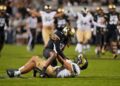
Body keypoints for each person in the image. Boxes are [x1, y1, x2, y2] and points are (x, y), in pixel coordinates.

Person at [6, 52, 88, 78]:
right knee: (34, 63)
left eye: (79, 59)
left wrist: (57, 53)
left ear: (80, 63)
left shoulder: (75, 67)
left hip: (53, 72)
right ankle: (17, 72)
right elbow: (65, 62)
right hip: (54, 71)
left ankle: (16, 72)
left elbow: (63, 62)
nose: (77, 59)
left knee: (35, 58)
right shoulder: (76, 69)